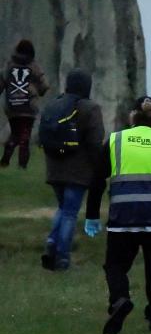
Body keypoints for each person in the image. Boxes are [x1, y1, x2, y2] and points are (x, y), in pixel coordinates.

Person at [83, 96, 151, 334]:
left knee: (115, 265)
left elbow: (96, 180)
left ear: (131, 115)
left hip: (123, 216)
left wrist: (92, 214)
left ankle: (120, 299)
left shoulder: (115, 141)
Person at [39, 69, 104, 270]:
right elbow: (95, 141)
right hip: (78, 170)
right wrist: (99, 167)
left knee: (63, 208)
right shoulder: (90, 108)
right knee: (70, 213)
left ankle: (52, 242)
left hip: (54, 167)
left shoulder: (53, 104)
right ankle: (63, 258)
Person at [2, 39, 50, 169]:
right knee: (25, 136)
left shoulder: (9, 65)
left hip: (12, 107)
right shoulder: (34, 66)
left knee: (14, 133)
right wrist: (39, 91)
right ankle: (22, 164)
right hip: (28, 107)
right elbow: (44, 86)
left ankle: (5, 159)